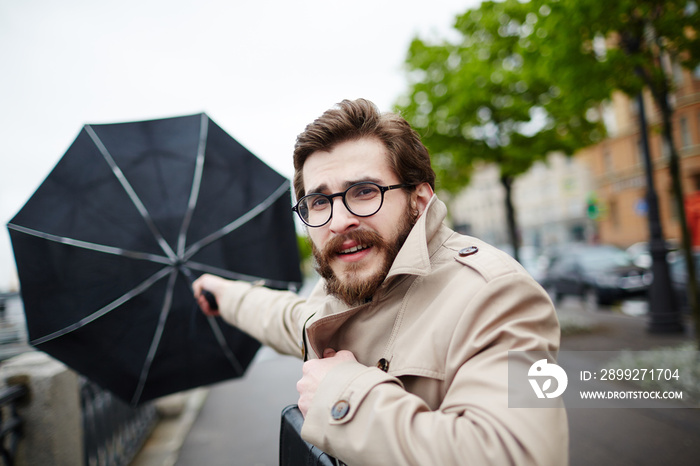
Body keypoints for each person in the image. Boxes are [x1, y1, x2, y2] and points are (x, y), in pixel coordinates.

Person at [193, 98, 568, 465]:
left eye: (364, 191)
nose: (338, 221)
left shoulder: (495, 294)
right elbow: (287, 317)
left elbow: (517, 454)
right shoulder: (343, 291)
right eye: (319, 202)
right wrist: (224, 293)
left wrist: (340, 396)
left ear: (418, 199)